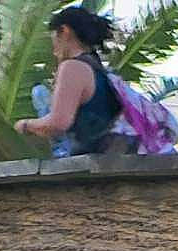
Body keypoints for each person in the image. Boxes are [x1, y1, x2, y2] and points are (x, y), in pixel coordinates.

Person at [14, 7, 131, 158]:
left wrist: (25, 125)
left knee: (39, 93)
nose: (53, 48)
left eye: (54, 38)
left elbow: (58, 123)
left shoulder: (72, 67)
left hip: (87, 164)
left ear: (64, 31)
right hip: (110, 158)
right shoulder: (100, 71)